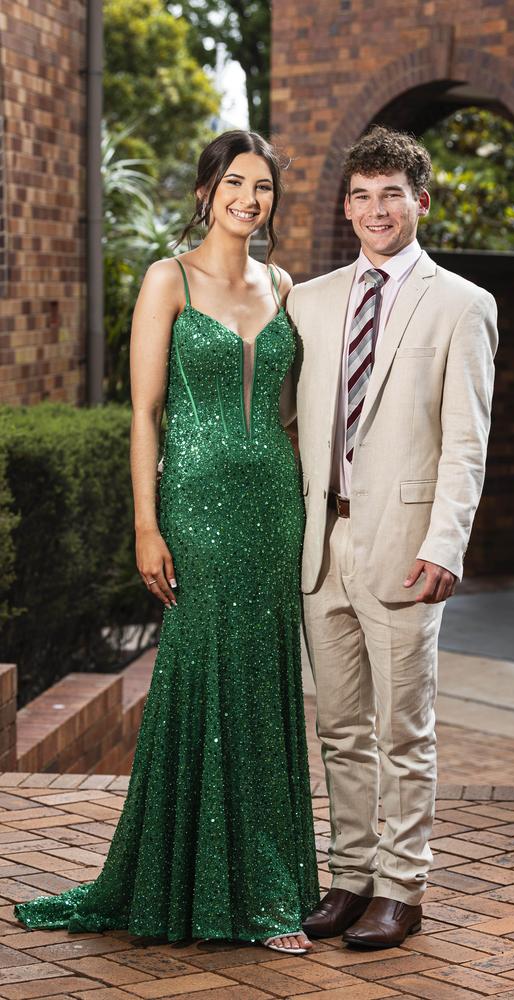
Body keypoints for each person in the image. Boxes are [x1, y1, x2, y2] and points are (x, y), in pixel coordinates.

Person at [14, 130, 319, 954]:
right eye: (235, 183)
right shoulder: (167, 279)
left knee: (262, 680)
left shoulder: (284, 283)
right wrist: (146, 524)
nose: (248, 199)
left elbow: (294, 413)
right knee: (206, 674)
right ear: (206, 188)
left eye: (262, 188)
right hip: (197, 505)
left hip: (274, 507)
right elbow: (145, 415)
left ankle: (264, 881)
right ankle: (211, 883)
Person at [288, 125, 498, 949]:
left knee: (403, 729)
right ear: (347, 207)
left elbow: (466, 441)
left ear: (421, 202)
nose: (377, 210)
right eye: (363, 196)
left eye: (392, 195)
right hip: (321, 546)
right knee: (339, 729)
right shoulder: (307, 301)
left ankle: (402, 888)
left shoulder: (462, 304)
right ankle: (350, 875)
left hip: (407, 547)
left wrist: (446, 543)